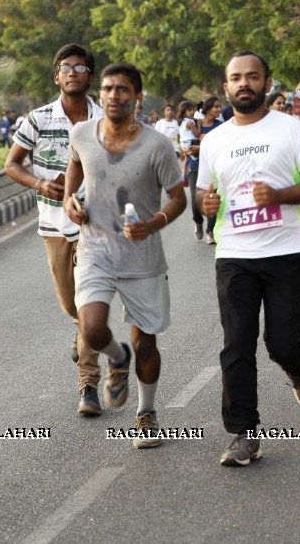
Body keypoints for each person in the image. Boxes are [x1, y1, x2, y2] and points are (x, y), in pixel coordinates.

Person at [198, 51, 300, 466]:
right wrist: (206, 204)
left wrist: (278, 196)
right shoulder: (213, 139)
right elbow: (205, 192)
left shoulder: (291, 130)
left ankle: (298, 368)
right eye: (236, 78)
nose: (244, 83)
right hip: (234, 255)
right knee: (237, 343)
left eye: (252, 77)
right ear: (226, 88)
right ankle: (244, 434)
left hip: (286, 252)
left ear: (266, 82)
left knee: (280, 342)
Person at [62, 62, 186, 449]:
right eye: (109, 88)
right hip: (96, 247)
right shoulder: (82, 133)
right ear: (101, 94)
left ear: (137, 96)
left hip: (142, 256)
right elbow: (76, 166)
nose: (115, 95)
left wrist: (153, 224)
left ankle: (146, 413)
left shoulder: (157, 146)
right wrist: (69, 199)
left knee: (147, 341)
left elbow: (178, 198)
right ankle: (117, 358)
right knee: (92, 329)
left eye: (123, 90)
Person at [5, 43, 106, 416]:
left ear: (90, 77)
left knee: (89, 301)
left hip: (95, 226)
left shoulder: (103, 119)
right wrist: (39, 184)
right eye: (66, 67)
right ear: (56, 75)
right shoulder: (38, 118)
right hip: (52, 224)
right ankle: (85, 332)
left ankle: (88, 385)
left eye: (80, 68)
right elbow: (12, 164)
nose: (73, 73)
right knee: (70, 303)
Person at [195, 97, 224, 245]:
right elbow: (186, 141)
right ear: (207, 109)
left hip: (213, 168)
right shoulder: (196, 125)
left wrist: (200, 148)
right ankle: (198, 222)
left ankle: (210, 230)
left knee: (212, 197)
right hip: (195, 165)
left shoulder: (222, 127)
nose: (219, 110)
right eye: (216, 107)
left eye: (220, 107)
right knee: (196, 203)